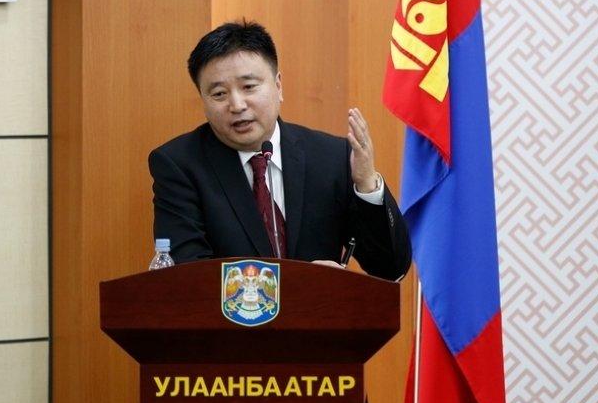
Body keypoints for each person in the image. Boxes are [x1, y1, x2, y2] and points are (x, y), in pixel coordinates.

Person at [148, 20, 411, 281]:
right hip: (232, 311)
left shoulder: (332, 158)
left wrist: (367, 185)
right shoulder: (179, 165)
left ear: (278, 86)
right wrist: (296, 284)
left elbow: (390, 269)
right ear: (203, 100)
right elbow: (187, 278)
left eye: (249, 87)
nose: (237, 105)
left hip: (319, 310)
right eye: (219, 94)